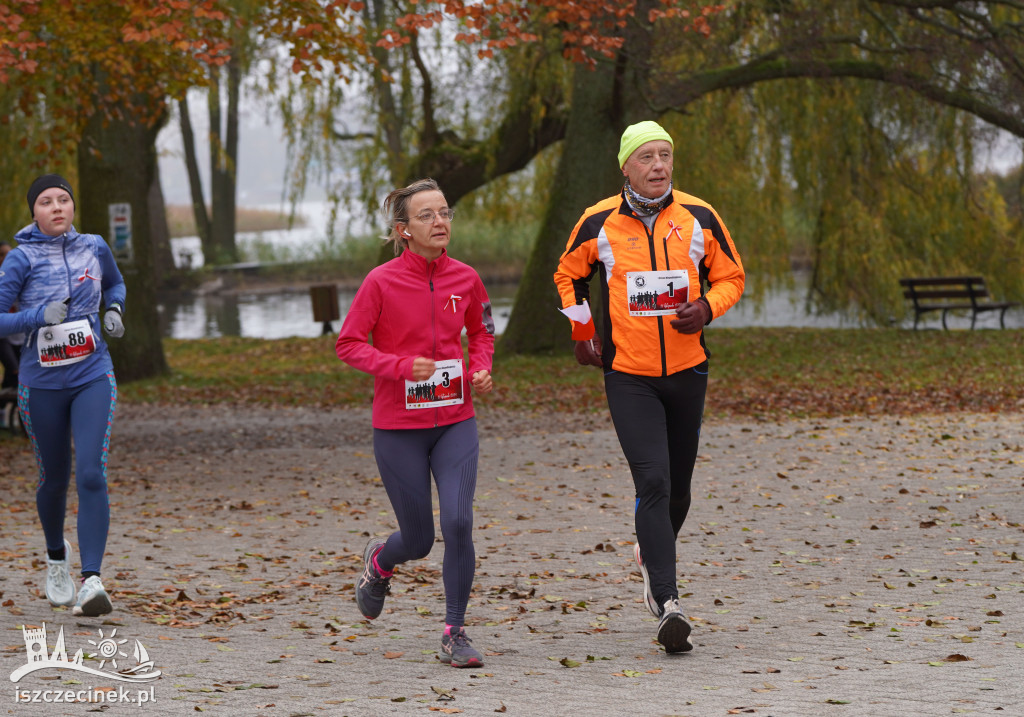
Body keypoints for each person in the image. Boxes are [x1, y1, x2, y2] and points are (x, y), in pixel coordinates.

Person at [553, 121, 745, 653]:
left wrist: (707, 306)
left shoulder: (699, 216)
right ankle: (668, 603)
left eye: (666, 156)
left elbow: (732, 276)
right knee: (654, 482)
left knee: (678, 490)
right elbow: (567, 274)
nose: (659, 165)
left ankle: (647, 552)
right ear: (626, 166)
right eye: (647, 157)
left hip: (688, 371)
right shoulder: (598, 222)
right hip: (630, 375)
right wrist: (582, 331)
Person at [336, 178, 495, 668]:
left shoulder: (466, 278)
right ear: (404, 230)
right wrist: (401, 367)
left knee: (459, 521)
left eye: (444, 212)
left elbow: (482, 330)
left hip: (454, 420)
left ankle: (454, 632)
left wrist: (481, 367)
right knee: (421, 540)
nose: (440, 221)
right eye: (427, 215)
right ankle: (381, 561)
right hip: (398, 428)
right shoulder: (380, 282)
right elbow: (349, 344)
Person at [0, 174, 127, 617]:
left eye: (63, 200)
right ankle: (58, 558)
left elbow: (115, 284)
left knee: (92, 472)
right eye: (46, 202)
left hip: (93, 373)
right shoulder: (20, 259)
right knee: (54, 478)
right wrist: (35, 316)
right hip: (42, 382)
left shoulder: (93, 246)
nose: (56, 207)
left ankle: (92, 580)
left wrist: (113, 310)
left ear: (72, 208)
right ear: (33, 212)